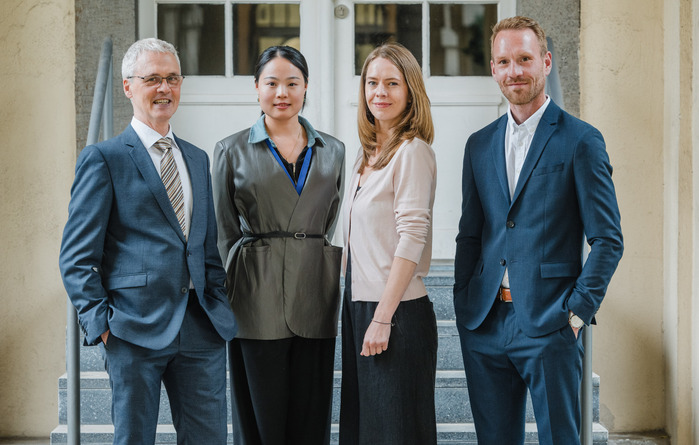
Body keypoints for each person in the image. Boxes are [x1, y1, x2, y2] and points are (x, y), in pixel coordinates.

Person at [454, 16, 624, 445]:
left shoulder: (581, 141)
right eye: (504, 61)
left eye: (525, 59)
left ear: (545, 62)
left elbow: (608, 239)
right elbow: (470, 235)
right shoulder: (479, 144)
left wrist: (577, 312)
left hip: (551, 324)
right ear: (493, 69)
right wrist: (464, 303)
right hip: (486, 323)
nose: (515, 71)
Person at [59, 38, 237, 445]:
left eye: (172, 78)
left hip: (200, 326)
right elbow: (76, 256)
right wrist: (101, 325)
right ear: (127, 87)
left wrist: (216, 298)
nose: (164, 89)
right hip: (132, 329)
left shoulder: (196, 157)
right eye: (152, 79)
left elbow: (205, 245)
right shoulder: (104, 158)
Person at [212, 45, 345, 445]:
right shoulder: (230, 150)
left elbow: (330, 221)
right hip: (254, 294)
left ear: (306, 88)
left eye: (292, 83)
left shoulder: (333, 150)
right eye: (272, 83)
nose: (282, 92)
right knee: (260, 418)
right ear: (256, 88)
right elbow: (222, 232)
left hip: (314, 291)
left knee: (311, 416)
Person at [339, 42, 438, 445]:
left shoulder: (412, 152)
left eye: (392, 83)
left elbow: (412, 236)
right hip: (359, 306)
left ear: (410, 90)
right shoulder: (368, 156)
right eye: (373, 82)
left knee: (393, 432)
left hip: (395, 313)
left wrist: (382, 318)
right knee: (367, 430)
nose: (380, 91)